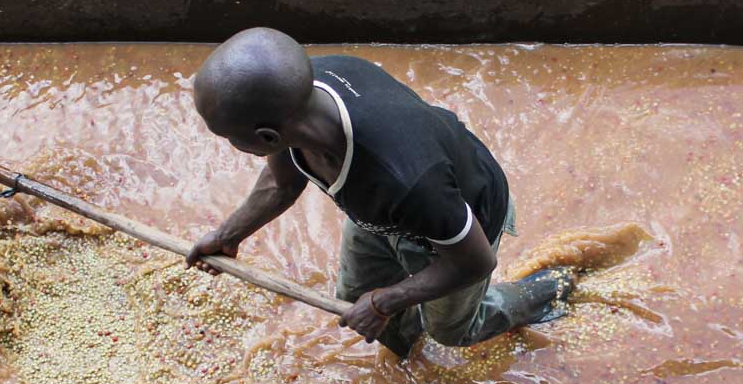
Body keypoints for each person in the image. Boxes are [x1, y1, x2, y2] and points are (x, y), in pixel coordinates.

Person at [185, 27, 575, 358]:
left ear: (266, 136)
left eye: (227, 137)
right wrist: (226, 236)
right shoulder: (298, 95)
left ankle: (551, 290)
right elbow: (282, 182)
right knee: (354, 294)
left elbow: (473, 262)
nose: (228, 143)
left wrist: (384, 301)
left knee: (452, 332)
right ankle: (405, 350)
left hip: (461, 217)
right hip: (378, 207)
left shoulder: (406, 181)